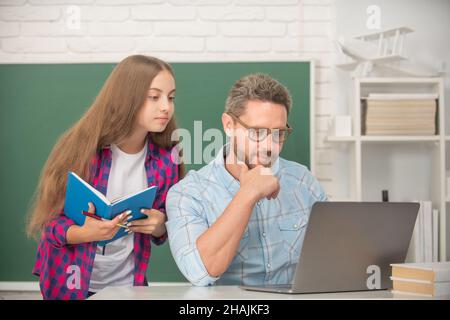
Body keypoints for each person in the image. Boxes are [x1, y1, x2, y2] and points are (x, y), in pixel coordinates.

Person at [27, 55, 183, 299]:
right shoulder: (82, 150)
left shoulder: (166, 160)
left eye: (170, 97)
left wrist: (160, 225)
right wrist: (85, 233)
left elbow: (165, 230)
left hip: (128, 286)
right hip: (71, 283)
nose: (166, 107)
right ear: (127, 98)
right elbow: (49, 227)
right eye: (154, 97)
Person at [166, 73, 327, 286]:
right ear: (229, 125)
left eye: (279, 133)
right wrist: (248, 194)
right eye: (258, 132)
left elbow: (331, 256)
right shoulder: (188, 194)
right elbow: (199, 273)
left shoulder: (303, 182)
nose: (270, 146)